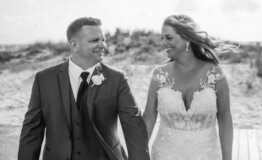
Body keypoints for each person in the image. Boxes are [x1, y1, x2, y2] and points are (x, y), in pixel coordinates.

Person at [18, 17, 150, 160]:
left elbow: (134, 129)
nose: (103, 45)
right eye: (95, 41)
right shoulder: (44, 79)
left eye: (103, 40)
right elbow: (32, 130)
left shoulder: (117, 79)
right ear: (74, 45)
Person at [142, 15, 233, 160]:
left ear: (187, 39)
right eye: (162, 38)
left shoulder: (215, 74)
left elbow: (225, 118)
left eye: (169, 38)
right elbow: (149, 116)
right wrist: (137, 154)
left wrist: (227, 158)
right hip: (164, 155)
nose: (163, 43)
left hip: (207, 155)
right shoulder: (159, 75)